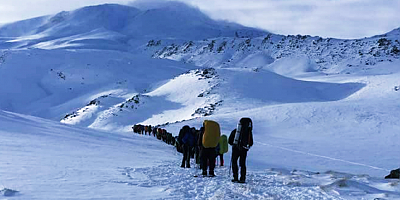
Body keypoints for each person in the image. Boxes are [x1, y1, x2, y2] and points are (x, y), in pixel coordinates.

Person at [228, 118, 253, 183]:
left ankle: (235, 177)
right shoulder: (248, 132)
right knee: (242, 163)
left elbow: (230, 141)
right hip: (244, 149)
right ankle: (242, 178)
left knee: (234, 162)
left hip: (235, 148)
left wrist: (234, 144)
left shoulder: (235, 131)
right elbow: (251, 142)